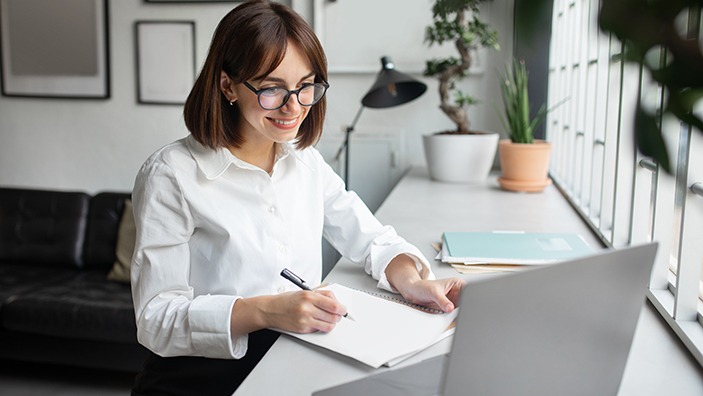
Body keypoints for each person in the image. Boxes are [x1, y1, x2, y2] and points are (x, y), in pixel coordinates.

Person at [129, 1, 464, 395]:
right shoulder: (172, 175)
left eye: (306, 86)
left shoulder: (303, 162)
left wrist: (411, 281)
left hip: (290, 359)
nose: (294, 106)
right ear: (227, 86)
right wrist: (268, 309)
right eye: (272, 88)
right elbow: (156, 318)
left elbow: (371, 238)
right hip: (199, 378)